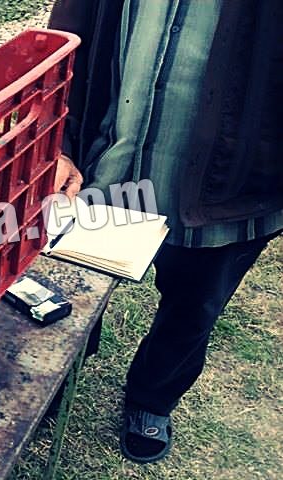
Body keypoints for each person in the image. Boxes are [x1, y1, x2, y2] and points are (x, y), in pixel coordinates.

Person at [48, 0, 283, 464]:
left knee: (194, 307)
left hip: (232, 187)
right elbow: (64, 43)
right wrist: (60, 141)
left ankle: (152, 399)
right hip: (108, 164)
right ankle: (57, 376)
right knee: (74, 287)